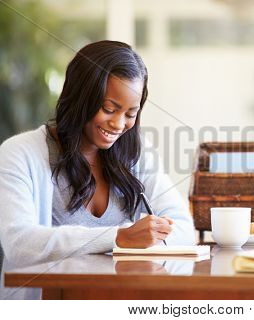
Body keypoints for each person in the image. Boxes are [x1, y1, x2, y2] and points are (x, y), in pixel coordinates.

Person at [0, 40, 195, 267]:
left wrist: (145, 236)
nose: (118, 124)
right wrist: (119, 238)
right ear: (81, 98)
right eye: (109, 109)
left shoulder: (137, 154)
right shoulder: (19, 153)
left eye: (130, 113)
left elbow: (182, 228)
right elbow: (20, 244)